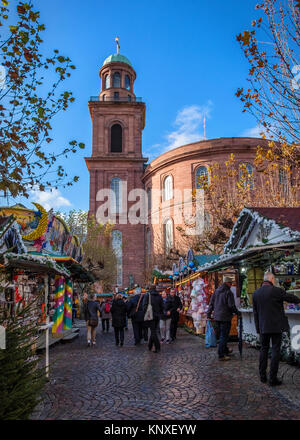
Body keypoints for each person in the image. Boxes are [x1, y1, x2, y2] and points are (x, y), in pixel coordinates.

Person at [253, 272, 300, 386]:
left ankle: (262, 376)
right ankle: (273, 378)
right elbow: (290, 298)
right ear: (272, 279)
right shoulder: (276, 291)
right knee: (275, 350)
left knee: (263, 350)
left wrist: (258, 328)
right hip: (275, 326)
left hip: (263, 326)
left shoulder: (256, 293)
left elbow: (255, 313)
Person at [207, 277, 240, 361]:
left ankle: (225, 350)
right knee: (224, 336)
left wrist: (208, 314)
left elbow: (211, 303)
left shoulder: (216, 291)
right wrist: (237, 312)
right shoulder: (228, 292)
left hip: (217, 317)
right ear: (228, 283)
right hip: (225, 317)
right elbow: (231, 305)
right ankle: (221, 355)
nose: (231, 285)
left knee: (222, 335)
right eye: (231, 284)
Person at [142, 284, 163, 353]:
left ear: (149, 288)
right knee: (153, 330)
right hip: (157, 316)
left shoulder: (147, 295)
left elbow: (144, 306)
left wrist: (145, 313)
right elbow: (162, 306)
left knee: (153, 331)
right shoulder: (159, 296)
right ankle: (150, 346)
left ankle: (158, 347)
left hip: (150, 316)